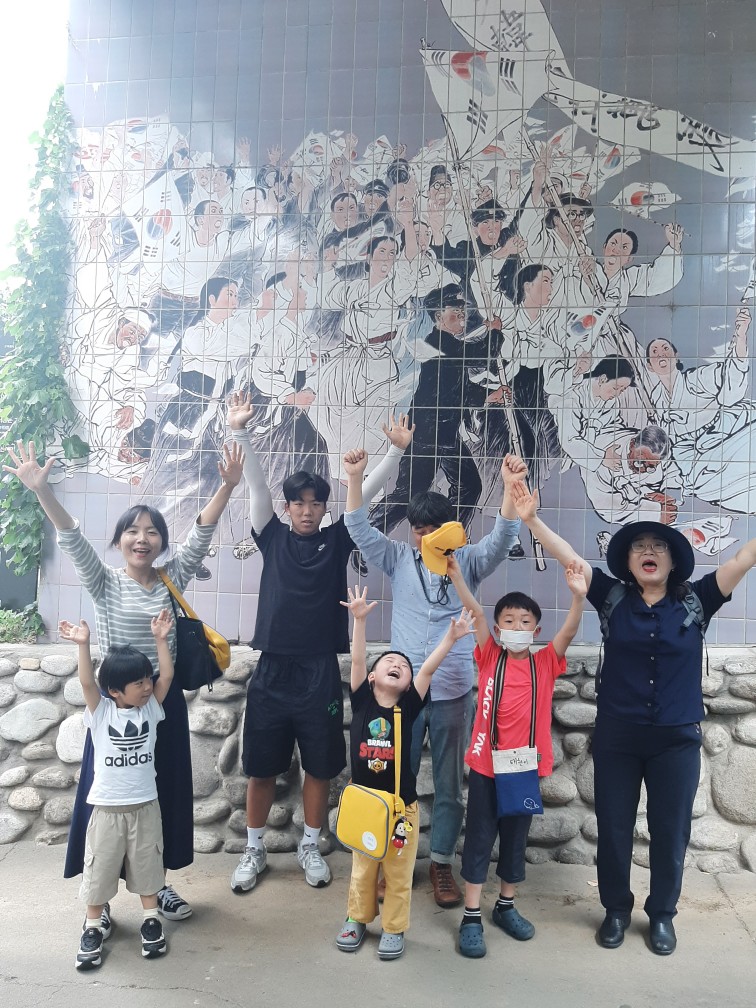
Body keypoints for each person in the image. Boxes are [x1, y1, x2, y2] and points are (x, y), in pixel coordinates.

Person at [510, 480, 756, 955]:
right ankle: (616, 911)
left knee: (671, 831)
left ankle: (662, 914)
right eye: (640, 546)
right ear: (627, 561)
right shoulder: (613, 598)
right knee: (615, 826)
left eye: (658, 546)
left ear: (672, 560)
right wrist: (532, 520)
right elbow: (569, 558)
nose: (649, 551)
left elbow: (742, 559)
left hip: (676, 739)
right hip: (618, 737)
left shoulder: (698, 599)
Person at [4, 438, 244, 924]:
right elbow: (70, 535)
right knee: (107, 796)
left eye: (152, 532)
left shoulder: (172, 576)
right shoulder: (104, 581)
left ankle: (159, 883)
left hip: (162, 697)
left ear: (161, 543)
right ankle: (102, 895)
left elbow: (202, 531)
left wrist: (227, 487)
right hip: (114, 704)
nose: (142, 538)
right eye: (132, 531)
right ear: (119, 542)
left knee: (162, 789)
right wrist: (42, 490)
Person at [226, 393, 413, 893]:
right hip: (272, 669)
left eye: (315, 503)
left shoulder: (337, 539)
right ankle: (254, 849)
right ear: (287, 508)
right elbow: (257, 485)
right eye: (299, 503)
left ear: (324, 507)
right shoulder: (271, 535)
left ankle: (311, 843)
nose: (307, 511)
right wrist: (240, 431)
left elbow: (364, 495)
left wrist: (394, 452)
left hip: (320, 672)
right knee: (261, 770)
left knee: (319, 766)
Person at [344, 447, 526, 908]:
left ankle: (441, 863)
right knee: (392, 779)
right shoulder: (398, 558)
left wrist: (509, 489)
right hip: (401, 696)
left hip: (452, 691)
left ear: (452, 528)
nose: (424, 536)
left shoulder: (470, 561)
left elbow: (504, 535)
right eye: (418, 528)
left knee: (448, 785)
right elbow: (358, 527)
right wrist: (356, 478)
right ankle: (389, 856)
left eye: (433, 528)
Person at [445, 555, 587, 958]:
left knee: (515, 838)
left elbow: (569, 631)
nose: (517, 626)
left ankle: (506, 905)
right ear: (497, 628)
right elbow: (475, 612)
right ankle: (472, 915)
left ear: (536, 630)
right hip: (486, 766)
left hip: (524, 768)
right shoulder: (490, 655)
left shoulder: (546, 662)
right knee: (478, 838)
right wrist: (457, 577)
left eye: (525, 622)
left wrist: (578, 598)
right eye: (508, 620)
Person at [335, 585, 475, 961]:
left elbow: (428, 667)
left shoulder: (409, 706)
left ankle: (394, 928)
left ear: (409, 684)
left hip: (401, 811)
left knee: (398, 875)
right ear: (372, 678)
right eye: (389, 662)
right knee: (363, 871)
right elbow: (358, 659)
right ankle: (356, 919)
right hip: (366, 806)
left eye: (403, 665)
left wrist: (451, 638)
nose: (397, 664)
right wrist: (359, 622)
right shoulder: (362, 701)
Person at [59, 610, 175, 970]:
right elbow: (86, 683)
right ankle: (93, 927)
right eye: (138, 683)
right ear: (114, 691)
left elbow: (167, 675)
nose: (147, 687)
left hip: (145, 807)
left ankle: (151, 921)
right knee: (99, 869)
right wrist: (83, 645)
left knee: (149, 867)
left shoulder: (150, 710)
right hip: (107, 810)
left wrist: (160, 639)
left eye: (147, 680)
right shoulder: (102, 713)